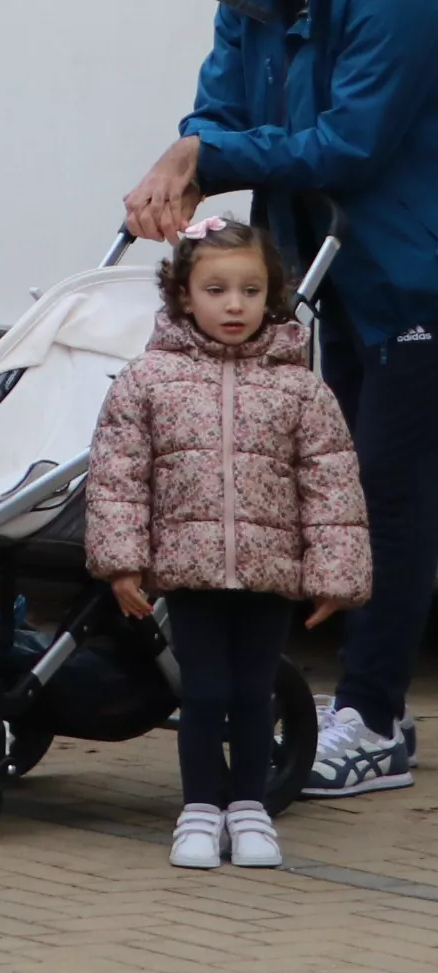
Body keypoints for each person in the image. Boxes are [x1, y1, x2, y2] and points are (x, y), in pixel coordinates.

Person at [123, 0, 438, 803]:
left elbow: (348, 143)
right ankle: (337, 699)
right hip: (321, 279)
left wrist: (204, 157)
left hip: (414, 282)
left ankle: (378, 718)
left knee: (384, 497)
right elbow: (216, 112)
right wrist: (194, 149)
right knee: (317, 492)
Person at [85, 218, 369, 871]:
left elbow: (330, 485)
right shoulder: (150, 380)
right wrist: (123, 561)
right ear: (185, 295)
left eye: (249, 289)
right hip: (190, 572)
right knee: (204, 692)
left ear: (271, 293)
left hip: (269, 572)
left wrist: (334, 575)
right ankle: (198, 810)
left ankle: (250, 812)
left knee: (254, 694)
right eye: (216, 289)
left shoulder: (298, 385)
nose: (234, 304)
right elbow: (119, 475)